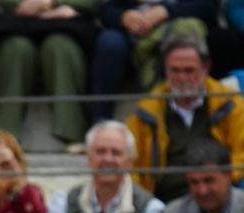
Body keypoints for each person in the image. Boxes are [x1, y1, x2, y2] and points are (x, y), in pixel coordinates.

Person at [127, 35, 244, 203]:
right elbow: (130, 164)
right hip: (168, 198)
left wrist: (214, 179)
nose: (181, 78)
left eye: (188, 70)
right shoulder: (147, 110)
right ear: (165, 70)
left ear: (205, 68)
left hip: (221, 192)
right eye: (175, 70)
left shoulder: (229, 102)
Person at [0, 0, 101, 149]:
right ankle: (2, 135)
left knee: (59, 46)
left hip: (67, 27)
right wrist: (36, 5)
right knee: (17, 49)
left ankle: (73, 134)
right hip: (18, 25)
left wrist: (52, 3)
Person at [89, 0, 217, 123]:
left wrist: (166, 11)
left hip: (174, 28)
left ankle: (178, 117)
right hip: (132, 35)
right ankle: (100, 122)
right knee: (109, 43)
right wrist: (123, 17)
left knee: (185, 35)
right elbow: (107, 10)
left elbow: (207, 6)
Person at [44, 120, 165, 213]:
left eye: (116, 153)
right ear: (88, 158)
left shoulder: (150, 209)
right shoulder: (63, 204)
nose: (108, 159)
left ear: (130, 162)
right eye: (100, 151)